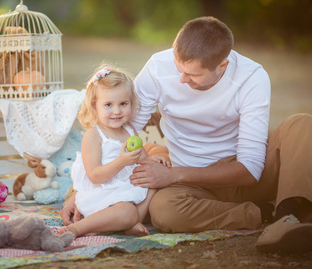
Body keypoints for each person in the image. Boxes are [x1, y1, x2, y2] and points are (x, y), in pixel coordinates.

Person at [61, 17, 312, 255]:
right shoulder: (159, 67)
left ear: (222, 65)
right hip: (192, 186)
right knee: (163, 211)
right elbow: (118, 133)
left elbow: (250, 168)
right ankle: (266, 213)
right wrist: (78, 192)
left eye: (192, 74)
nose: (182, 79)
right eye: (179, 68)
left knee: (301, 124)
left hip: (243, 175)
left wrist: (173, 175)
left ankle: (289, 219)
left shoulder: (252, 77)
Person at [60, 65, 171, 238]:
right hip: (102, 195)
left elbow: (142, 157)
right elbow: (95, 176)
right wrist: (122, 162)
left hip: (125, 189)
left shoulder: (129, 131)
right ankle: (78, 228)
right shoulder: (94, 135)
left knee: (154, 181)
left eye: (123, 104)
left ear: (131, 103)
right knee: (126, 211)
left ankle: (134, 222)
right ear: (95, 107)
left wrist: (153, 160)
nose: (117, 111)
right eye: (108, 105)